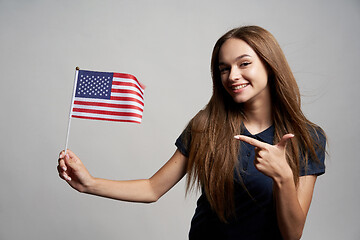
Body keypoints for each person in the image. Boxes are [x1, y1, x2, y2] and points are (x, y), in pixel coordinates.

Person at [57, 25, 326, 240]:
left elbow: (293, 234)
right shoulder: (205, 125)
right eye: (224, 68)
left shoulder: (307, 137)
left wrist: (283, 177)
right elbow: (153, 188)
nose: (232, 76)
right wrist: (89, 183)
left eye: (244, 64)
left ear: (269, 65)